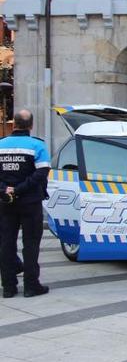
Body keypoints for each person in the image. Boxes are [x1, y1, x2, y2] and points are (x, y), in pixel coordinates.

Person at [0, 110, 50, 298]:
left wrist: (6, 190)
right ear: (30, 126)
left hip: (5, 203)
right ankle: (31, 286)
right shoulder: (37, 145)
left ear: (14, 125)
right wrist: (20, 189)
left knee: (6, 244)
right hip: (30, 202)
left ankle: (9, 288)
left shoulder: (0, 145)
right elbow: (42, 173)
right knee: (30, 244)